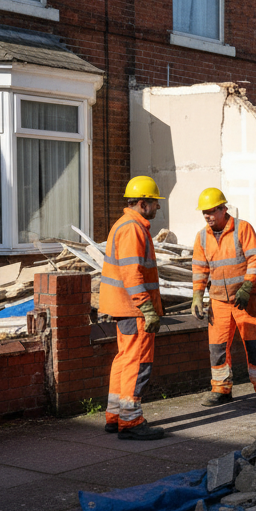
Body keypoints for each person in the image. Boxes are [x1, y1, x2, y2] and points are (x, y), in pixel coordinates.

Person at [98, 177, 166, 440]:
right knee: (138, 362)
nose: (157, 207)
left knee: (124, 360)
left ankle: (115, 416)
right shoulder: (133, 229)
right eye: (154, 202)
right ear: (142, 203)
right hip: (134, 308)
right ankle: (131, 421)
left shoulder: (126, 225)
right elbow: (132, 274)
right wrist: (147, 308)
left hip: (125, 307)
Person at [191, 188, 256, 409]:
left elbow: (255, 260)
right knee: (217, 348)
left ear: (223, 209)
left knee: (254, 345)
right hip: (218, 301)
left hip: (243, 300)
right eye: (204, 213)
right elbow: (200, 269)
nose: (207, 216)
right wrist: (197, 296)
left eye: (211, 212)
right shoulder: (202, 237)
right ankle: (221, 389)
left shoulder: (242, 228)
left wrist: (248, 287)